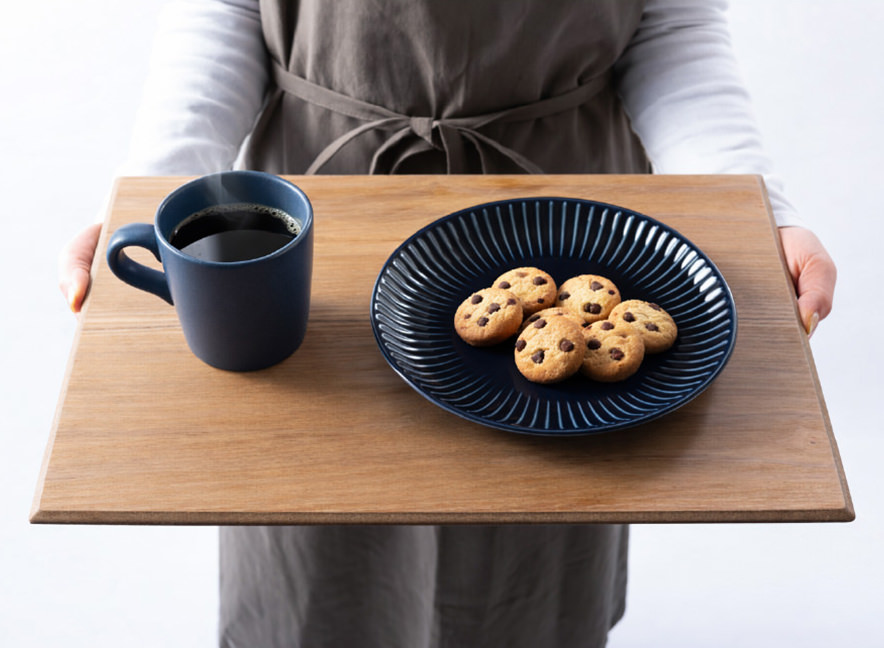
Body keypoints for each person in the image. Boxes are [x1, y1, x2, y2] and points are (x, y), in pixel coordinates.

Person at [57, 1, 837, 646]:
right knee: (321, 538)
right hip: (327, 215)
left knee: (534, 542)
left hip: (561, 210)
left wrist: (746, 205)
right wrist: (155, 193)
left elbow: (672, 21)